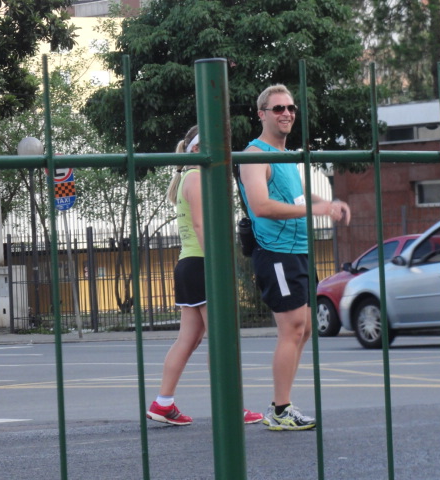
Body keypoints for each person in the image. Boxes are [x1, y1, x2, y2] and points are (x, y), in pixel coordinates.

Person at [237, 85, 351, 431]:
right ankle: (280, 409)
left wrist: (326, 203)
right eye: (278, 108)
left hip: (298, 251)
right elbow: (262, 206)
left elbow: (297, 195)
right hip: (275, 253)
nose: (286, 113)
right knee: (293, 328)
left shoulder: (285, 155)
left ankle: (282, 405)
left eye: (290, 108)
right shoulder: (254, 155)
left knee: (304, 330)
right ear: (262, 114)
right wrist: (315, 209)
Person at [146, 125, 263, 426]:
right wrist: (218, 266)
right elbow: (201, 225)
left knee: (190, 339)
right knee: (221, 340)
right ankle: (230, 407)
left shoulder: (188, 177)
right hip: (202, 265)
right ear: (197, 149)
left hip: (190, 265)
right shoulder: (196, 177)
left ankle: (162, 403)